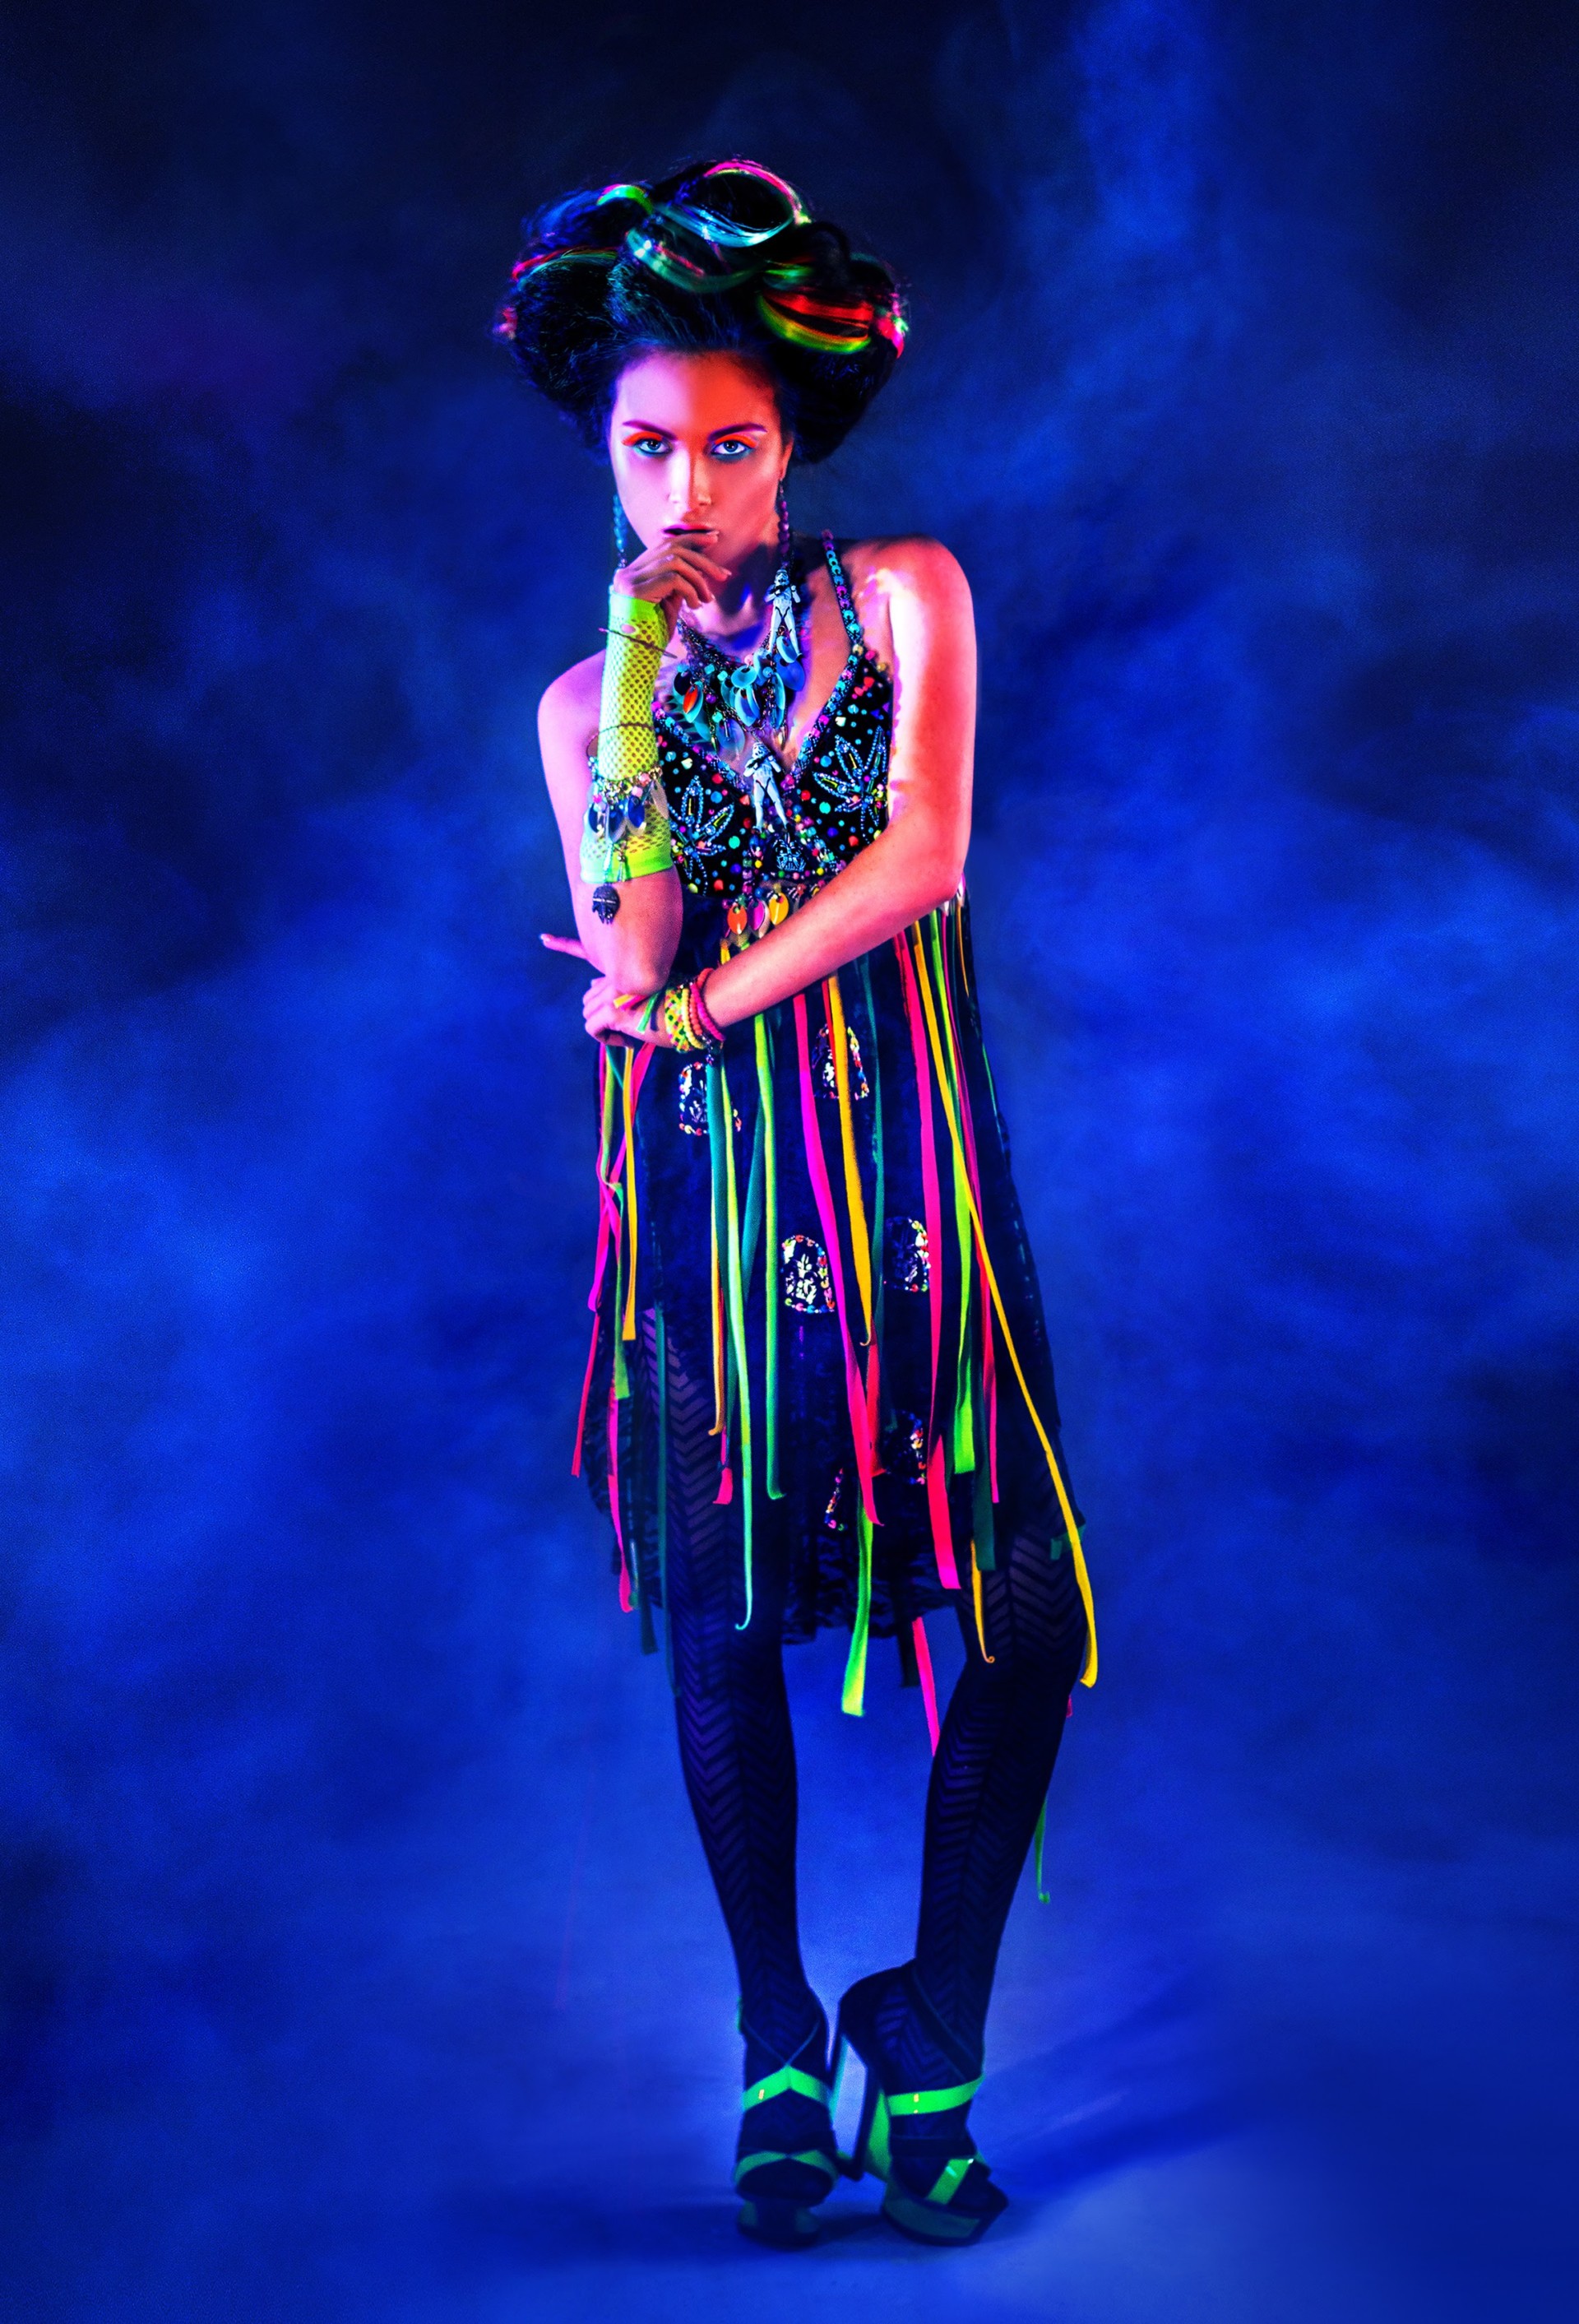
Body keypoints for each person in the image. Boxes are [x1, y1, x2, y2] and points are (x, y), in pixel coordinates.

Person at [497, 158, 1096, 2251]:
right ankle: (774, 2034)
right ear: (605, 450)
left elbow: (923, 857)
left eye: (730, 448)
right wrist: (632, 663)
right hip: (716, 1199)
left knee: (1016, 1611)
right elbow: (631, 937)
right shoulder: (584, 707)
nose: (688, 491)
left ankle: (927, 2028)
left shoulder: (906, 594)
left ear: (793, 442)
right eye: (647, 448)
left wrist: (695, 1005)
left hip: (915, 1175)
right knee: (724, 1605)